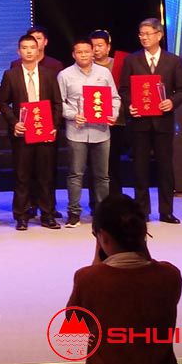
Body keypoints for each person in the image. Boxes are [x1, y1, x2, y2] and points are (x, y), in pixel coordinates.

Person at [66, 193, 182, 364]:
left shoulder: (87, 279)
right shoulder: (170, 275)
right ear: (143, 233)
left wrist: (97, 259)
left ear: (102, 236)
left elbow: (75, 320)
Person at [118, 18, 182, 224]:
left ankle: (166, 211)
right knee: (140, 168)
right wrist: (130, 105)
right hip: (139, 122)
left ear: (159, 35)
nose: (144, 37)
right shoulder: (131, 60)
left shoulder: (173, 61)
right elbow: (124, 89)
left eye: (148, 34)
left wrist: (171, 102)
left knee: (165, 167)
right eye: (141, 34)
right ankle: (142, 211)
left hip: (163, 122)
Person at [0, 34, 63, 230]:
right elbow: (3, 102)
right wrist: (14, 123)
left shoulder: (49, 74)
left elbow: (57, 103)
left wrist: (54, 126)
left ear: (38, 50)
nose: (28, 51)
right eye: (24, 48)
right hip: (23, 132)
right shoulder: (11, 74)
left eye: (32, 48)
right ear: (19, 51)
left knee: (45, 175)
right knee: (22, 176)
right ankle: (21, 215)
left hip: (45, 131)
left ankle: (47, 214)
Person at [57, 39, 121, 227]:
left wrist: (113, 113)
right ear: (73, 54)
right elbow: (59, 102)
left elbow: (115, 97)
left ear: (93, 53)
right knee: (76, 174)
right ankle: (74, 213)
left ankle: (102, 214)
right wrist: (72, 115)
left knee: (102, 176)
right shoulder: (65, 75)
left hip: (101, 131)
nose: (84, 55)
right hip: (76, 131)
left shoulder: (104, 73)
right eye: (79, 52)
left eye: (87, 51)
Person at [89, 29, 129, 197]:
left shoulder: (120, 63)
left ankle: (115, 198)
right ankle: (96, 201)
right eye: (93, 46)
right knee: (94, 164)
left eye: (100, 45)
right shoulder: (86, 65)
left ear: (108, 47)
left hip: (116, 121)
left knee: (113, 162)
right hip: (93, 122)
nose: (96, 49)